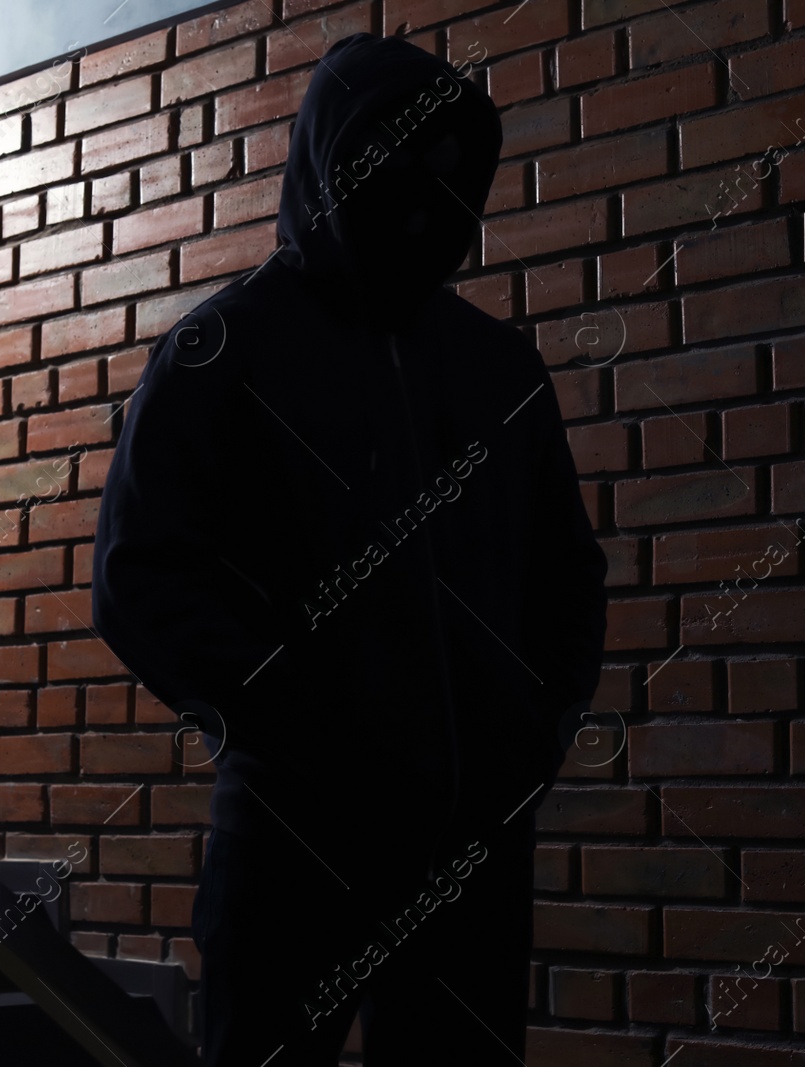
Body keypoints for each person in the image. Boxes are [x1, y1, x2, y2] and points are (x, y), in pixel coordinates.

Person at [91, 31, 608, 1066]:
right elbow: (139, 576)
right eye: (391, 160)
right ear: (332, 157)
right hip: (292, 853)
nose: (423, 196)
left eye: (447, 170)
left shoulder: (497, 367)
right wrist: (293, 725)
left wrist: (529, 737)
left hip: (469, 856)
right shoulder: (225, 350)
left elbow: (567, 574)